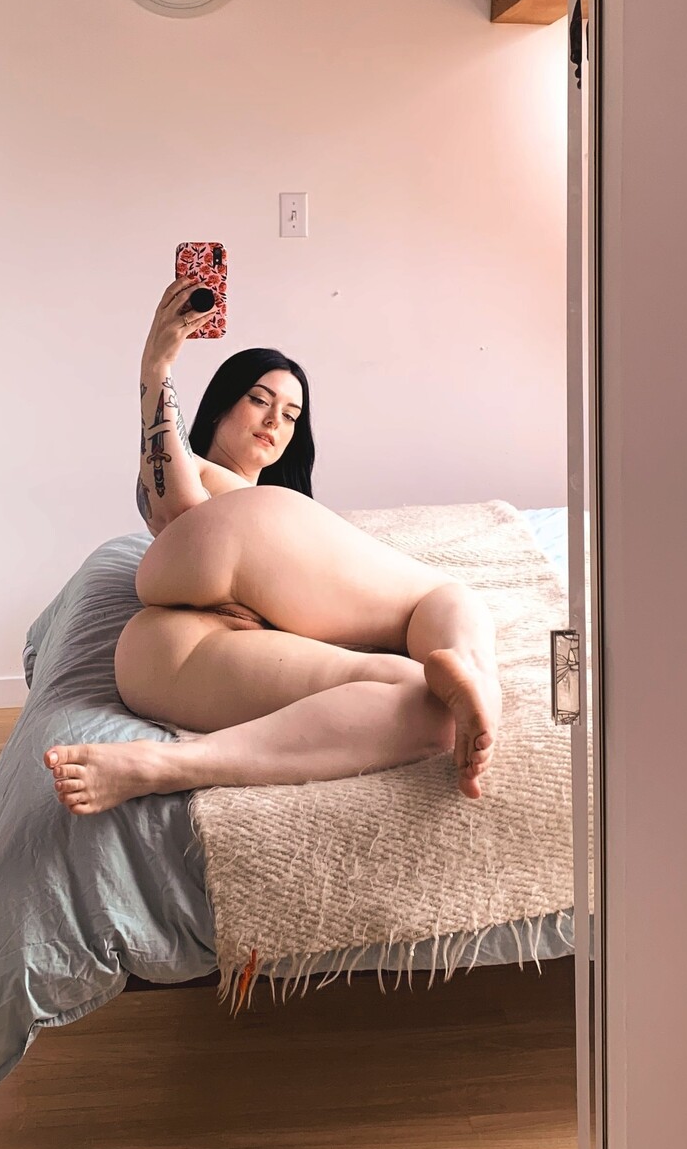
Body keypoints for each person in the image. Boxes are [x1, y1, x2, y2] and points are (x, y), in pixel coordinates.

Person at [45, 278, 501, 815]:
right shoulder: (203, 476)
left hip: (161, 656)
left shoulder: (277, 519)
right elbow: (179, 514)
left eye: (290, 415)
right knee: (449, 595)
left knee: (426, 706)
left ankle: (160, 765)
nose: (273, 421)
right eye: (259, 400)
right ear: (220, 406)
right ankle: (477, 676)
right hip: (207, 583)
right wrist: (157, 369)